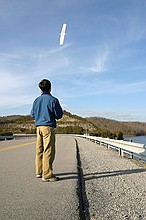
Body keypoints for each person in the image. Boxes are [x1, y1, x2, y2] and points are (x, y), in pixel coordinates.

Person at [30, 79, 63, 182]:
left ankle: (39, 172)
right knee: (48, 150)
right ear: (50, 87)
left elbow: (32, 114)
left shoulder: (36, 100)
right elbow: (59, 115)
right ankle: (47, 175)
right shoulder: (53, 100)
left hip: (38, 127)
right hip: (48, 127)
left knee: (39, 150)